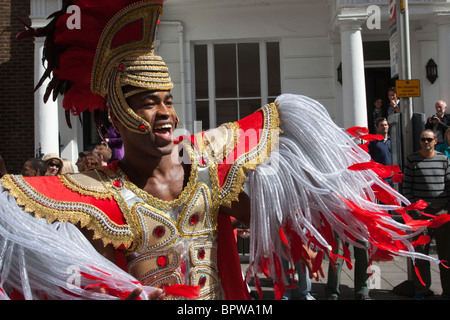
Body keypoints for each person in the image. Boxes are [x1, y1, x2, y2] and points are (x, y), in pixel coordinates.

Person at [0, 0, 441, 300]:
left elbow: (276, 213)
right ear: (116, 115)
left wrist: (321, 209)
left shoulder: (205, 165)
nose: (165, 112)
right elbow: (82, 273)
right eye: (149, 102)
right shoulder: (98, 193)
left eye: (169, 99)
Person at [402, 129, 450, 300]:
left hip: (441, 212)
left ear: (435, 141)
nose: (426, 142)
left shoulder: (443, 159)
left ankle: (448, 289)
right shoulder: (412, 160)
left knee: (446, 253)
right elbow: (406, 186)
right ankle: (421, 289)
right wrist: (414, 208)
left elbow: (449, 183)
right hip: (420, 214)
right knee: (421, 253)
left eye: (429, 139)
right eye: (423, 139)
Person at [368, 117, 392, 184]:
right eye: (381, 125)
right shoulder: (373, 142)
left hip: (392, 175)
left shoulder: (393, 141)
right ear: (377, 128)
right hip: (380, 177)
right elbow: (368, 157)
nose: (384, 127)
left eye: (385, 125)